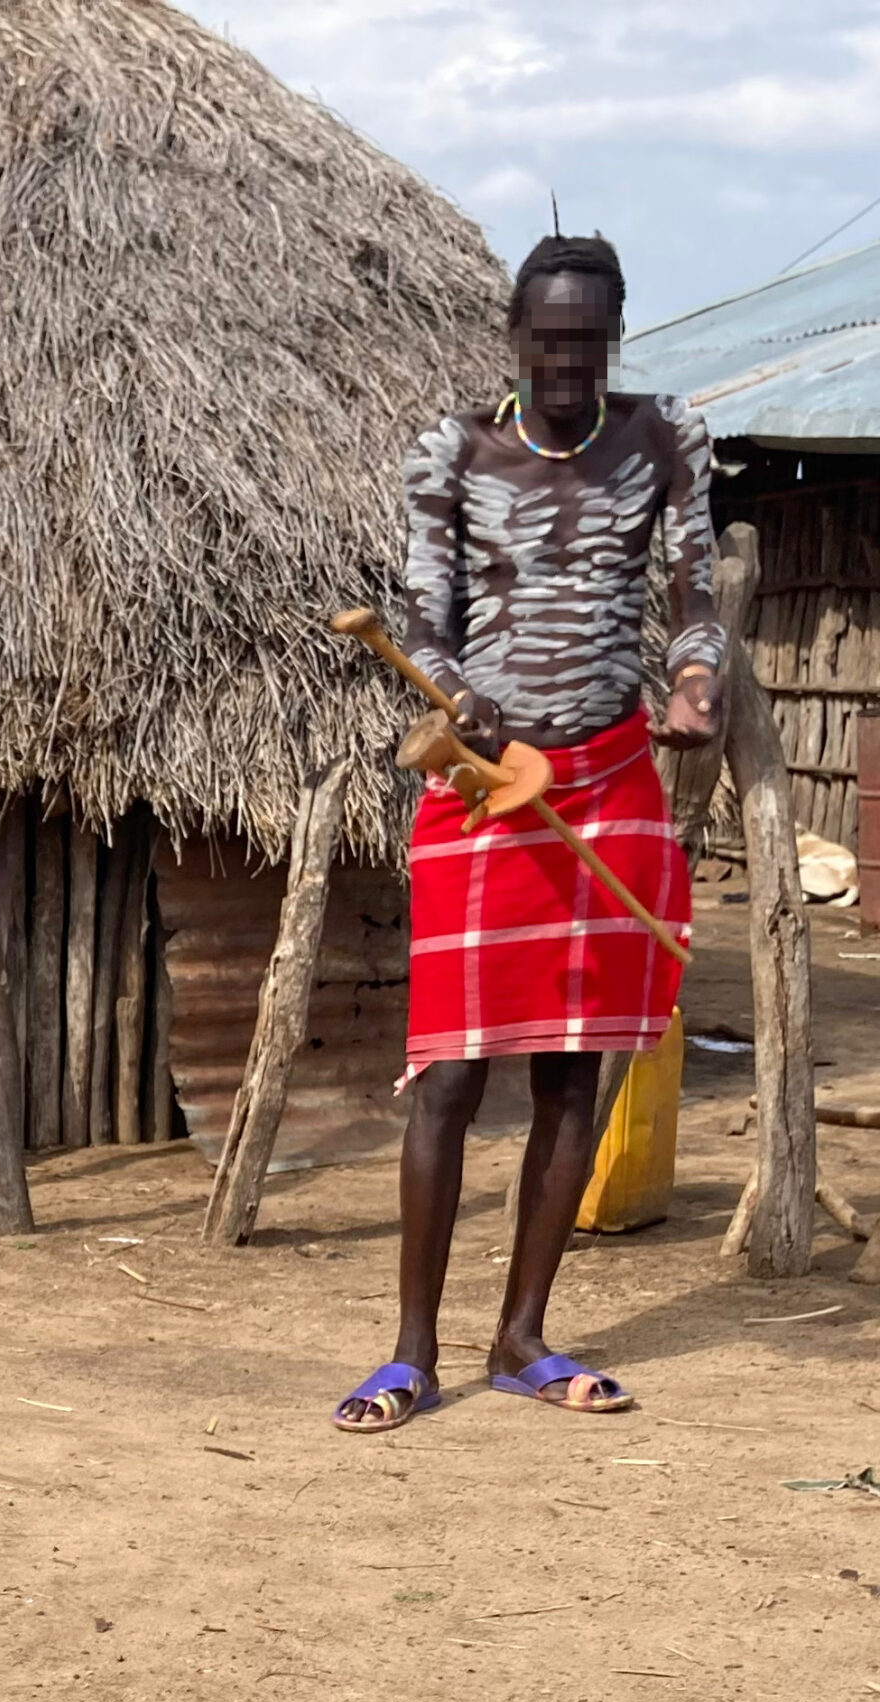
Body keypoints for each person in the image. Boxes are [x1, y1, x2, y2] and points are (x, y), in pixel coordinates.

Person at [332, 234, 726, 1433]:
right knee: (449, 1071)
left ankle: (522, 1338)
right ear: (514, 337)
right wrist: (458, 697)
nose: (567, 365)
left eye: (588, 343)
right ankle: (411, 1353)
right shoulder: (452, 451)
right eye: (548, 342)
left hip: (608, 773)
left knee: (571, 1069)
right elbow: (424, 622)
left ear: (614, 338)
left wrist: (694, 681)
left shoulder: (663, 438)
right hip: (481, 785)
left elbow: (694, 591)